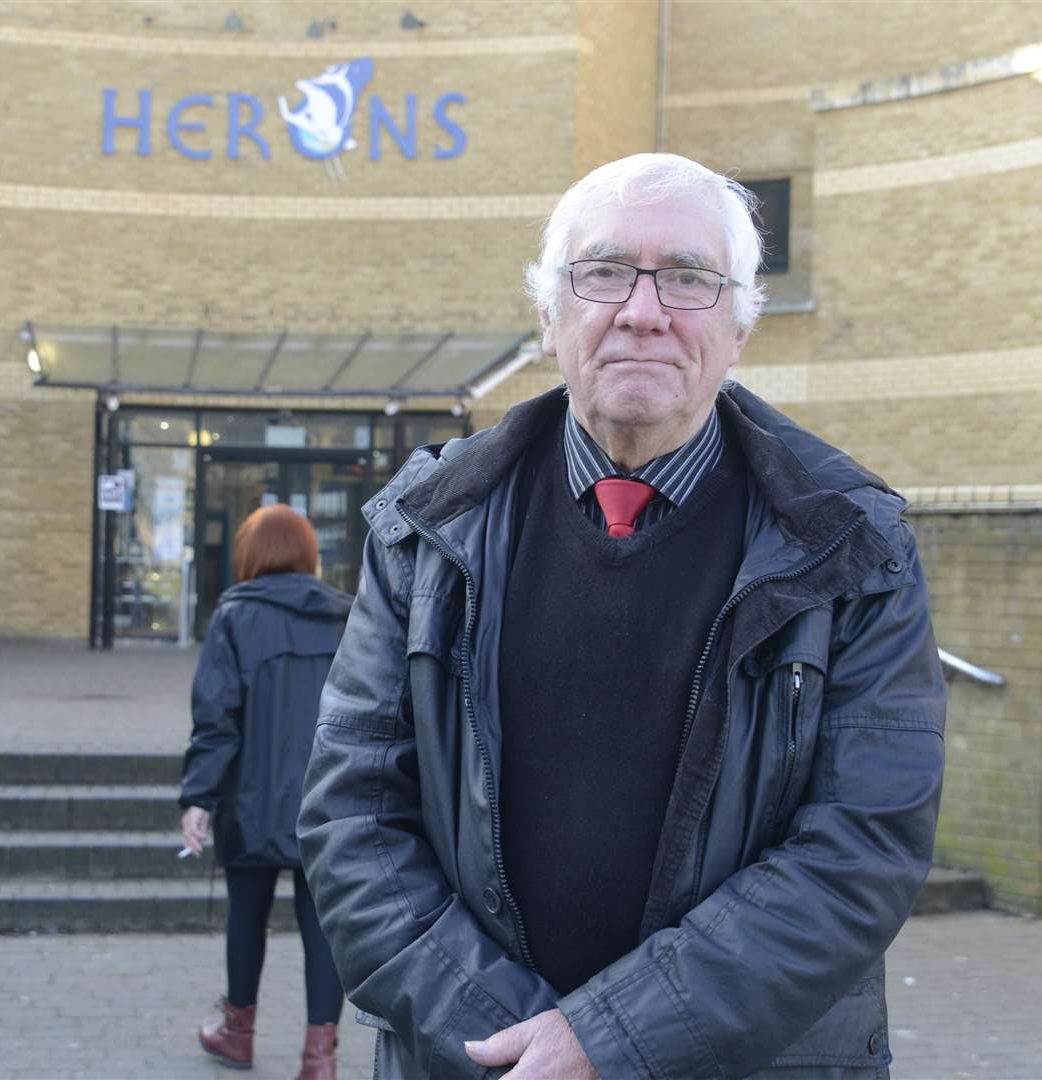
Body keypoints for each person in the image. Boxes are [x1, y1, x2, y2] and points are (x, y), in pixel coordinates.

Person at [298, 152, 947, 1079]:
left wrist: (611, 1040)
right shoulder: (424, 530)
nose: (642, 311)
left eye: (687, 279)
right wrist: (521, 1049)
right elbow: (351, 814)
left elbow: (863, 845)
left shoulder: (851, 545)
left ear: (739, 325)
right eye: (603, 273)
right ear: (548, 315)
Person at [180, 504, 354, 1079]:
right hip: (327, 801)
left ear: (249, 554)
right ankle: (320, 1058)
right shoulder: (346, 616)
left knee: (246, 917)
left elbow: (216, 717)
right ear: (308, 554)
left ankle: (237, 1033)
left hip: (250, 800)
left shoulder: (234, 616)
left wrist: (199, 799)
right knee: (323, 928)